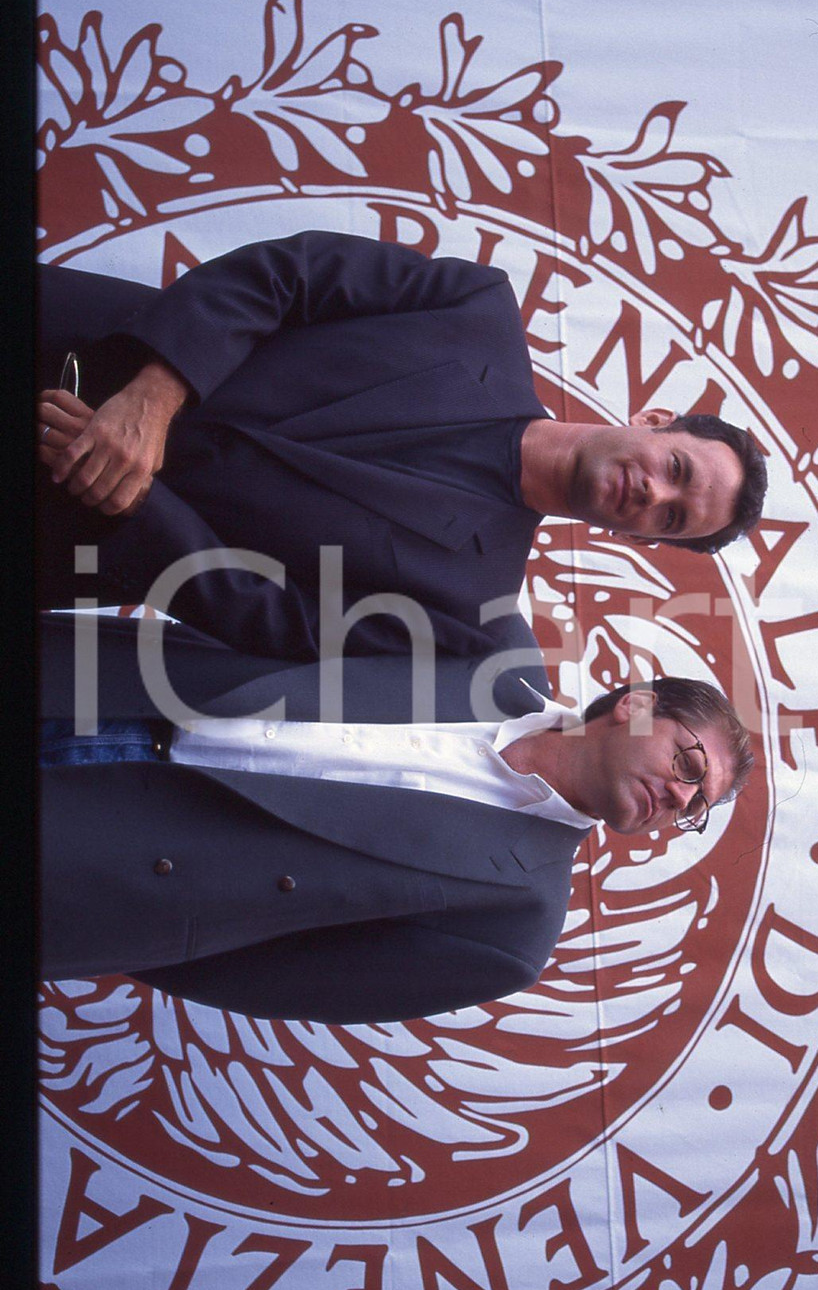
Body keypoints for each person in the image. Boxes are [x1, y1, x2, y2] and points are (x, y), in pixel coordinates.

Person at [36, 231, 767, 678]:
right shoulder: (475, 307)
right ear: (655, 419)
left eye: (671, 520)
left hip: (65, 535)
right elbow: (290, 273)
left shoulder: (466, 612)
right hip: (74, 344)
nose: (654, 496)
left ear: (638, 540)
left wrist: (138, 501)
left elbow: (273, 619)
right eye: (677, 471)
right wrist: (155, 395)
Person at [39, 610, 752, 1025]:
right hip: (108, 684)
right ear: (635, 706)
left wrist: (128, 917)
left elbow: (281, 982)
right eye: (690, 766)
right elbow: (295, 605)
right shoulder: (492, 643)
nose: (683, 800)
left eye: (698, 808)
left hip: (97, 865)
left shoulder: (516, 924)